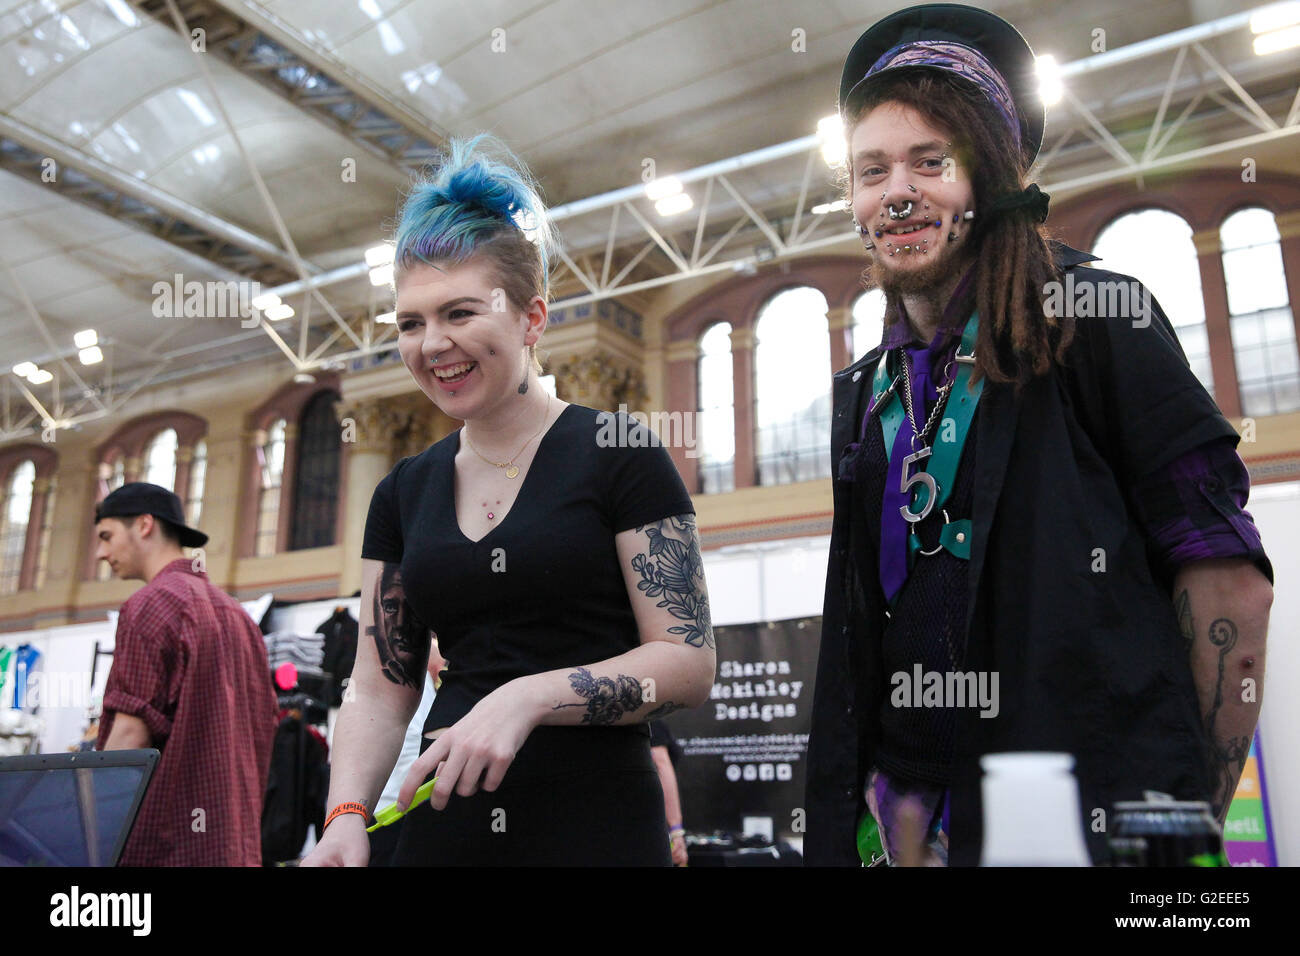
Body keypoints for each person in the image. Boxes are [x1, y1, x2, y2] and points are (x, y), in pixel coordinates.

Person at [804, 4, 1274, 866]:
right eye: (871, 170)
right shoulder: (864, 392)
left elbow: (1227, 585)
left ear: (991, 173)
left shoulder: (1096, 316)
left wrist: (1174, 819)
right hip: (899, 832)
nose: (896, 190)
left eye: (929, 162)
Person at [302, 135, 716, 867]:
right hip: (444, 824)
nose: (433, 344)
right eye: (410, 322)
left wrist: (526, 698)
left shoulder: (619, 452)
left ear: (532, 318)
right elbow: (378, 688)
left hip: (596, 827)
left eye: (460, 313)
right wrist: (343, 815)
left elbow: (686, 661)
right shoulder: (404, 491)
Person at [94, 482, 277, 866]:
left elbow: (129, 736)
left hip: (166, 847)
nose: (101, 553)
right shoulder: (240, 617)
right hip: (234, 846)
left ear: (144, 525)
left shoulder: (149, 603)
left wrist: (93, 833)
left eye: (107, 536)